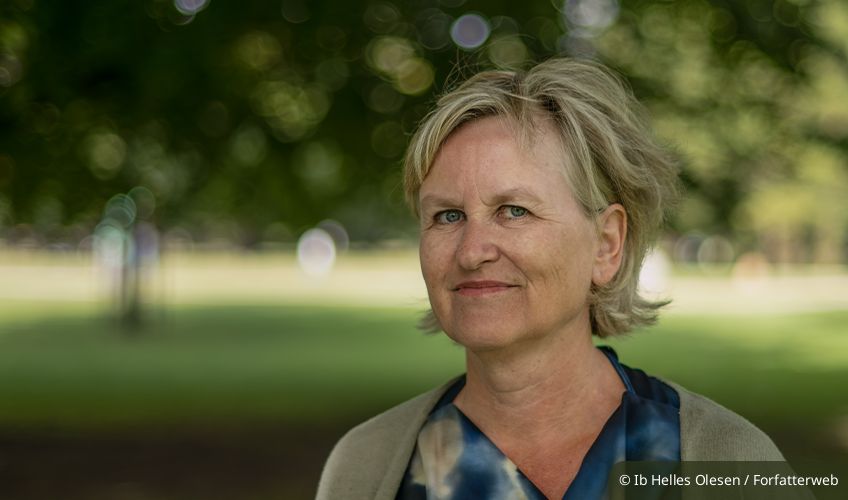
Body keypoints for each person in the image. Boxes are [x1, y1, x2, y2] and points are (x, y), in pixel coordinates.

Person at [316, 58, 783, 500]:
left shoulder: (728, 461)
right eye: (448, 215)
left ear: (606, 244)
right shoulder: (367, 467)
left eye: (514, 211)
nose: (472, 251)